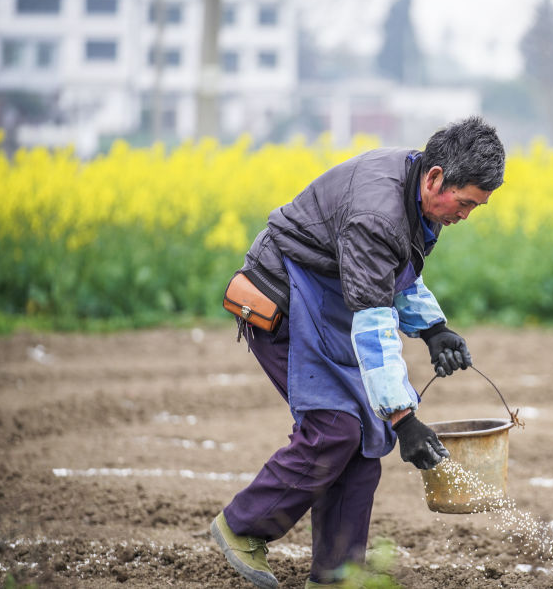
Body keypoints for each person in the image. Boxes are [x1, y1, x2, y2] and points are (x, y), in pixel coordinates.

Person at [210, 116, 506, 589]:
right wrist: (403, 420)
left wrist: (434, 329)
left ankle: (336, 577)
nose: (465, 215)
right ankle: (243, 527)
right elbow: (373, 325)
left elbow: (395, 272)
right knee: (334, 428)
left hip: (328, 302)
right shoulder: (378, 214)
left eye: (476, 206)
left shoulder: (416, 191)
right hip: (284, 300)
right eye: (465, 202)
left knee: (364, 439)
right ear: (436, 178)